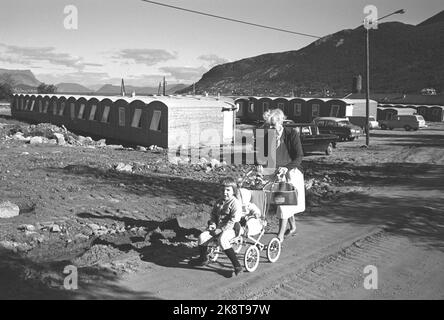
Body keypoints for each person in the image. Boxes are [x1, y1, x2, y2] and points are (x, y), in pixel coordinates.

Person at [257, 108, 305, 243]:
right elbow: (261, 157)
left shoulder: (292, 134)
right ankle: (293, 226)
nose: (270, 128)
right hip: (274, 171)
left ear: (281, 123)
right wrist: (260, 165)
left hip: (291, 172)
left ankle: (280, 236)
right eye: (268, 125)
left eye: (273, 125)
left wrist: (286, 168)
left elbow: (299, 156)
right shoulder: (265, 136)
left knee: (284, 204)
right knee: (284, 203)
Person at [189, 177, 243, 276]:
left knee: (222, 240)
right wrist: (212, 223)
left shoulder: (235, 203)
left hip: (231, 228)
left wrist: (221, 229)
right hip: (218, 227)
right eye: (223, 190)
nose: (225, 192)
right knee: (202, 237)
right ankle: (203, 258)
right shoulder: (218, 201)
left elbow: (234, 220)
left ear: (233, 191)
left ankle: (237, 265)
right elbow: (213, 214)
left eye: (228, 190)